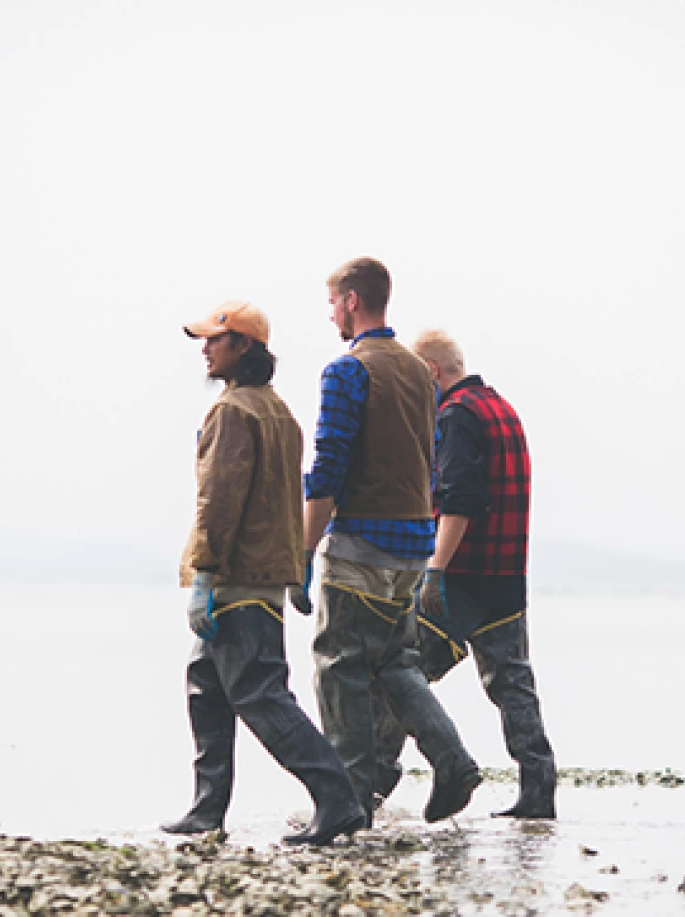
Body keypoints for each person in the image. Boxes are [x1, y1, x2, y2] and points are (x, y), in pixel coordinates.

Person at [162, 301, 365, 846]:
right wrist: (292, 569)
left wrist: (204, 574)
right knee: (206, 688)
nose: (204, 348)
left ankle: (338, 798)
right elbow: (281, 501)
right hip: (262, 577)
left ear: (243, 346)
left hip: (236, 579)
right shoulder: (278, 410)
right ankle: (207, 809)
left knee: (260, 696)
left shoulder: (234, 412)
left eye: (214, 339)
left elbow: (218, 501)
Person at [290, 258, 481, 826]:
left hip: (361, 545)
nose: (329, 316)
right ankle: (452, 761)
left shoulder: (346, 372)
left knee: (340, 665)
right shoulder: (420, 373)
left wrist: (302, 553)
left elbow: (327, 472)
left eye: (331, 304)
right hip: (414, 546)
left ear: (352, 300)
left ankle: (345, 802)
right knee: (395, 663)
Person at [373, 329, 557, 819]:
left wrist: (434, 571)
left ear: (431, 372)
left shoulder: (456, 416)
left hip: (461, 580)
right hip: (507, 579)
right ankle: (538, 794)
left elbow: (459, 499)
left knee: (400, 674)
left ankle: (371, 784)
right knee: (513, 685)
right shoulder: (502, 408)